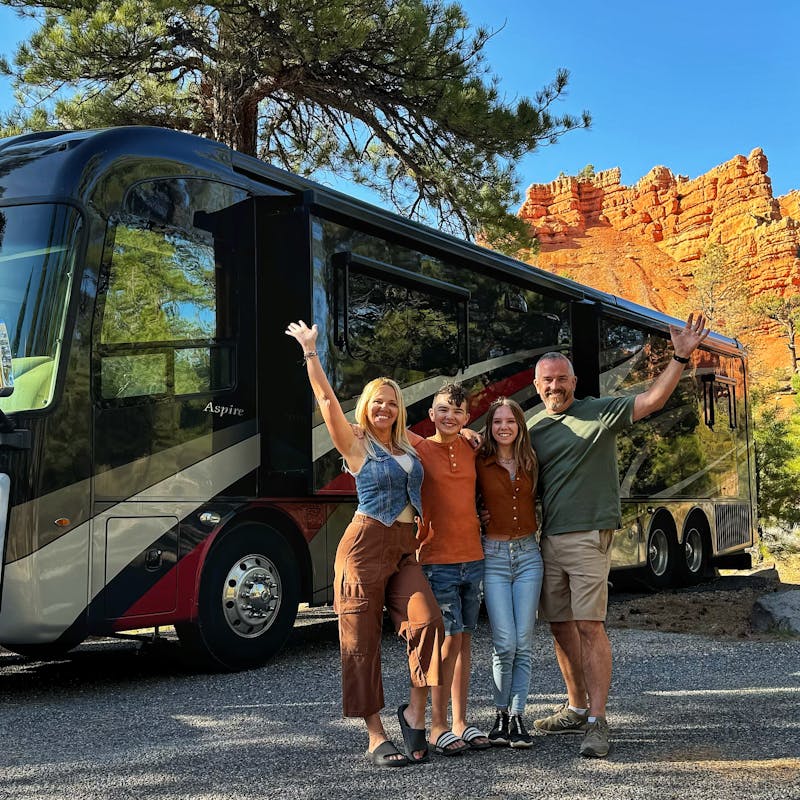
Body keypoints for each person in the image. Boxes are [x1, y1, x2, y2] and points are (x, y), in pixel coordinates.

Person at [530, 313, 709, 758]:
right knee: (559, 626)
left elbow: (650, 400)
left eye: (562, 379)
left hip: (589, 536)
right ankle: (575, 708)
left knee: (589, 626)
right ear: (537, 386)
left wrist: (681, 356)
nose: (555, 387)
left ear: (574, 382)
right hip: (546, 540)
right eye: (547, 381)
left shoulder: (598, 412)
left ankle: (598, 720)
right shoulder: (528, 428)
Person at [285, 320, 445, 768]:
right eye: (378, 402)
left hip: (404, 547)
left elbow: (440, 440)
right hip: (364, 545)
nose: (385, 409)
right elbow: (325, 400)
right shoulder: (356, 447)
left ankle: (414, 710)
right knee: (362, 640)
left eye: (392, 404)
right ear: (366, 408)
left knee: (428, 621)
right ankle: (376, 735)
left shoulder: (407, 445)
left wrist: (465, 436)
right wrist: (311, 351)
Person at [412, 383, 491, 756]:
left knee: (464, 640)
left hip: (472, 557)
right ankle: (436, 725)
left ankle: (460, 721)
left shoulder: (471, 447)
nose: (450, 417)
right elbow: (385, 430)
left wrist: (471, 435)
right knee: (446, 642)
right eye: (443, 409)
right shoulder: (420, 448)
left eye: (458, 412)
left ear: (467, 417)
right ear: (431, 414)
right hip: (436, 559)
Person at [475, 397, 542, 748]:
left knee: (525, 643)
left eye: (511, 421)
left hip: (529, 555)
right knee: (505, 642)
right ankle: (500, 715)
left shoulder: (532, 461)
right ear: (490, 426)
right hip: (494, 557)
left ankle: (518, 718)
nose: (504, 427)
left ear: (520, 426)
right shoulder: (480, 461)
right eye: (498, 421)